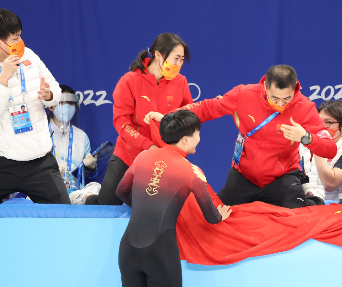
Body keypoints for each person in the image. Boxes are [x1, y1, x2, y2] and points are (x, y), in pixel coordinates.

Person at [155, 64, 337, 208]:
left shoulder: (305, 107)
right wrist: (173, 116)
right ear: (265, 86)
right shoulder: (244, 94)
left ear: (295, 89)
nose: (280, 104)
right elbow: (206, 108)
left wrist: (306, 137)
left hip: (282, 179)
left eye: (287, 99)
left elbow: (330, 149)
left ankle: (310, 195)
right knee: (213, 215)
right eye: (275, 98)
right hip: (243, 177)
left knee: (301, 220)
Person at [0, 9, 69, 206]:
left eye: (20, 36)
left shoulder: (29, 55)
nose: (20, 42)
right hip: (1, 164)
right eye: (15, 38)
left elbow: (55, 88)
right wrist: (3, 79)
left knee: (63, 216)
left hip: (40, 161)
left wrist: (49, 95)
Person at [116, 110, 231, 287]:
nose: (200, 138)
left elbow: (121, 191)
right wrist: (220, 215)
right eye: (198, 133)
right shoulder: (192, 171)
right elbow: (211, 216)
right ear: (185, 139)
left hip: (128, 250)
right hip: (160, 253)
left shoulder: (143, 157)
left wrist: (144, 205)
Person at [86, 33, 193, 206]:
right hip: (128, 156)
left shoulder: (181, 82)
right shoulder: (129, 81)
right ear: (158, 55)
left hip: (163, 161)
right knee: (105, 204)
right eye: (176, 59)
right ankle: (84, 197)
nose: (179, 65)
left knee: (158, 210)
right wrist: (147, 145)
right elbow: (122, 123)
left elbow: (188, 117)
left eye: (182, 60)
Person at [45, 85, 98, 195]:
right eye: (63, 102)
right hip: (44, 195)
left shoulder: (82, 136)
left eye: (71, 103)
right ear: (51, 106)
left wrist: (91, 168)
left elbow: (88, 176)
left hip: (74, 197)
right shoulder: (40, 134)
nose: (68, 106)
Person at [299, 100, 342, 201]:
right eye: (319, 121)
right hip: (310, 206)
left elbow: (330, 184)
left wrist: (318, 146)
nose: (322, 126)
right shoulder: (304, 143)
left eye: (328, 122)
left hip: (339, 208)